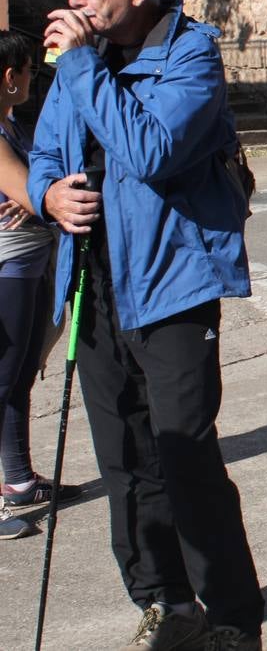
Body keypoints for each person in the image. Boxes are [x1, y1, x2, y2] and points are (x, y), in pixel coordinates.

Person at [31, 0, 263, 647]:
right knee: (125, 463)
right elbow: (44, 151)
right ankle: (164, 599)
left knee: (186, 458)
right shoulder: (81, 62)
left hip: (171, 287)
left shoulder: (188, 53)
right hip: (94, 290)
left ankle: (230, 615)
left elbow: (152, 151)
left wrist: (77, 70)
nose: (72, 1)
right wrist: (47, 198)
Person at [0, 32, 73, 542]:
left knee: (20, 374)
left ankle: (19, 480)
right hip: (8, 268)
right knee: (3, 379)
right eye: (27, 70)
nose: (29, 79)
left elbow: (34, 193)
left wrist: (37, 196)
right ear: (10, 77)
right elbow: (32, 194)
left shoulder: (9, 126)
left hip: (28, 264)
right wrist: (39, 197)